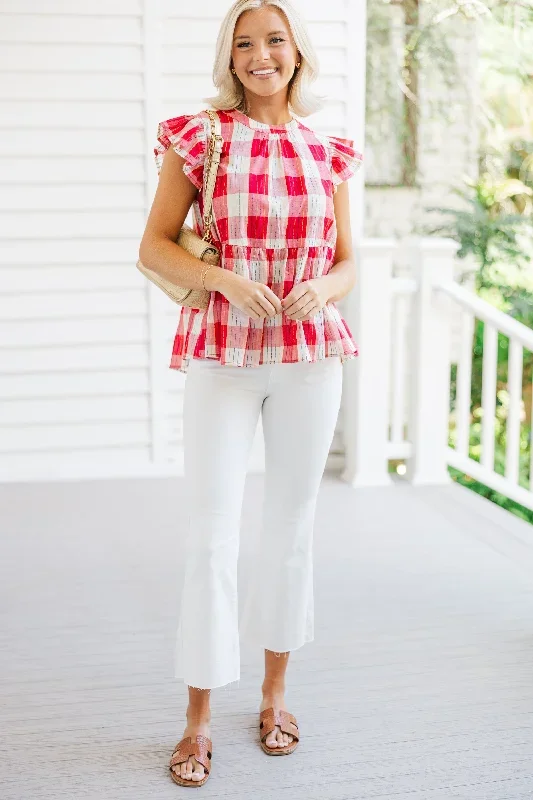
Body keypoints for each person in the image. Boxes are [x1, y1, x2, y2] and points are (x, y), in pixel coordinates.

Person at [139, 0, 363, 787]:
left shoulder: (329, 148)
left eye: (273, 40)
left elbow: (345, 261)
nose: (259, 54)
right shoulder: (199, 136)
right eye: (243, 43)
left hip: (308, 357)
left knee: (291, 530)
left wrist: (325, 290)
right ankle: (197, 717)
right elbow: (155, 246)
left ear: (296, 52)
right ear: (229, 58)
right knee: (210, 537)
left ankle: (273, 698)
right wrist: (224, 278)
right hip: (223, 358)